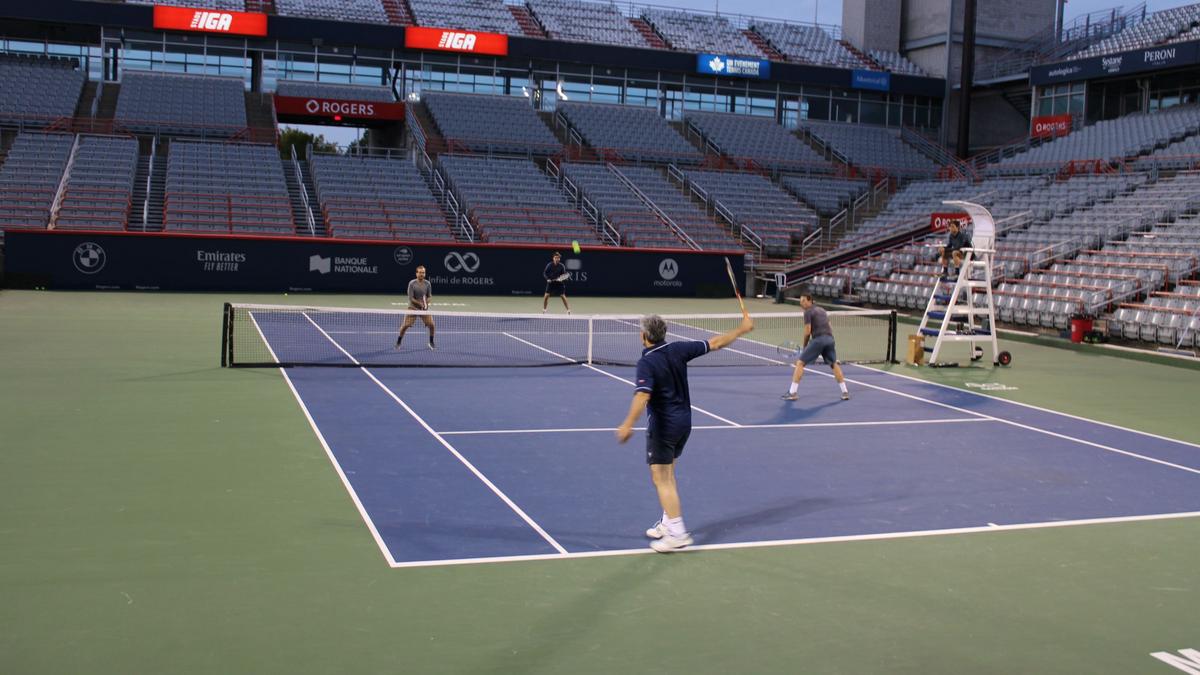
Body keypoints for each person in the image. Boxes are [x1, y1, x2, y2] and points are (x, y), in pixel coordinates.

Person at [616, 308, 754, 553]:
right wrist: (741, 330)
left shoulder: (647, 362)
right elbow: (716, 343)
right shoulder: (678, 349)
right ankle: (668, 523)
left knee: (661, 478)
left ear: (644, 336)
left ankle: (678, 534)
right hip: (684, 423)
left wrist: (627, 424)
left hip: (663, 427)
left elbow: (642, 395)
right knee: (668, 474)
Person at [780, 294, 849, 402]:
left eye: (803, 301)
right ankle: (845, 392)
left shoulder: (808, 312)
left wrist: (805, 346)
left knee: (800, 363)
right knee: (833, 364)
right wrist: (828, 341)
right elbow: (830, 327)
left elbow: (807, 331)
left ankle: (792, 393)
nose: (801, 303)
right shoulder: (822, 310)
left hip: (819, 340)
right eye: (800, 301)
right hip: (830, 339)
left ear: (810, 301)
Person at [396, 265, 435, 350]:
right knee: (405, 325)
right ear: (416, 273)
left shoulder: (427, 283)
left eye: (423, 272)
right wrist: (420, 304)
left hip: (424, 309)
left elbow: (429, 296)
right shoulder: (412, 283)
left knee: (432, 325)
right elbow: (411, 298)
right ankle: (399, 341)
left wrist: (426, 303)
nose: (422, 274)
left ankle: (431, 342)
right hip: (412, 308)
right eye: (420, 272)